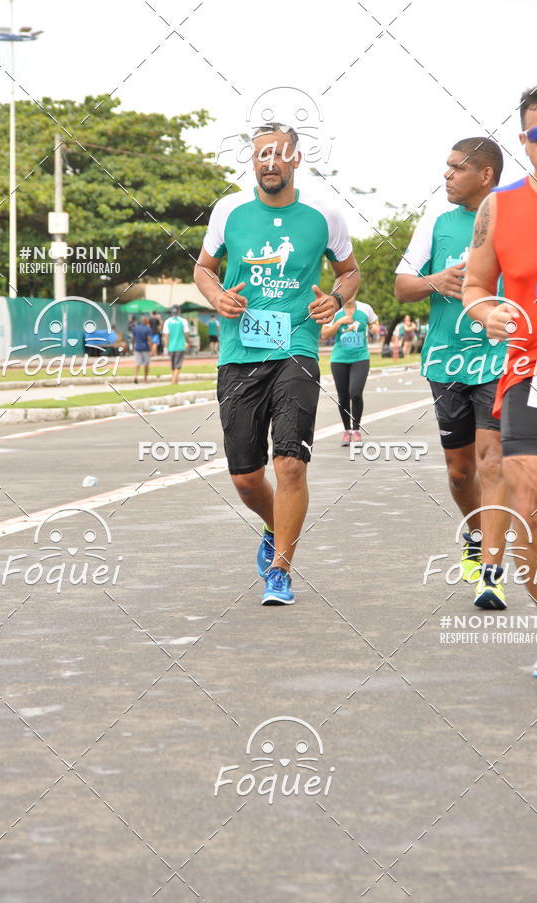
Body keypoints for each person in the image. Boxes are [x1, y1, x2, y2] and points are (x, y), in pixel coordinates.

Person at [194, 121, 360, 605]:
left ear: (295, 160)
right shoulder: (229, 210)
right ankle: (274, 526)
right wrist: (216, 296)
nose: (269, 162)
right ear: (253, 161)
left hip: (297, 351)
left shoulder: (324, 215)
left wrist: (335, 298)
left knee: (289, 463)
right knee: (246, 476)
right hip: (239, 354)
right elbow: (203, 268)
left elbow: (349, 273)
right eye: (261, 154)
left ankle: (281, 571)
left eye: (278, 154)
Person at [463, 82, 537, 677]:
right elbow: (476, 285)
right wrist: (488, 312)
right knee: (531, 503)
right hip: (532, 376)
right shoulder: (500, 207)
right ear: (524, 142)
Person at [394, 136, 510, 609]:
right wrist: (433, 281)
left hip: (498, 360)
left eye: (456, 168)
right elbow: (402, 288)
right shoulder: (436, 222)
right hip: (446, 363)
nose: (446, 175)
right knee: (461, 472)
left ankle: (492, 571)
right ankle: (475, 534)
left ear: (484, 174)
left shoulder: (513, 217)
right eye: (446, 167)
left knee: (492, 462)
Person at [322, 297, 379, 445]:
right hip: (339, 359)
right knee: (343, 397)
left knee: (355, 393)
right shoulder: (335, 311)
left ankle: (356, 429)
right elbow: (325, 334)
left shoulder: (365, 308)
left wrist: (374, 328)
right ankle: (347, 430)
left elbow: (375, 324)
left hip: (360, 357)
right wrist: (339, 322)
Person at [163, 306, 190, 384]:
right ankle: (173, 382)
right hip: (180, 346)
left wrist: (165, 347)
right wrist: (188, 342)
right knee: (178, 365)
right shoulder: (183, 321)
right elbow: (186, 334)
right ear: (179, 312)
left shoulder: (167, 322)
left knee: (173, 366)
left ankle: (175, 381)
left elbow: (166, 336)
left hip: (171, 347)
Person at [131, 315, 152, 383]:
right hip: (145, 348)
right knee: (146, 364)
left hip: (137, 347)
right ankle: (145, 379)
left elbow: (133, 338)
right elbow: (149, 340)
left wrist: (132, 346)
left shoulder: (136, 328)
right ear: (145, 321)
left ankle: (135, 376)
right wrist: (151, 349)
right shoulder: (148, 329)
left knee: (137, 363)